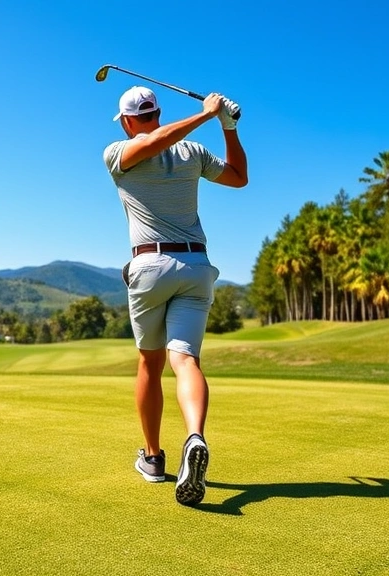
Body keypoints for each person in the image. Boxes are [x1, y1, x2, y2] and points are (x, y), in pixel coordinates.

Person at [102, 85, 247, 505]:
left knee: (150, 362)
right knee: (185, 360)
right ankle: (195, 436)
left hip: (150, 267)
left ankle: (153, 458)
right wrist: (216, 120)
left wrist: (226, 125)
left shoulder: (114, 152)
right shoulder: (187, 150)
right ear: (158, 113)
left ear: (128, 120)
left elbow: (238, 178)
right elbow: (236, 177)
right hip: (197, 268)